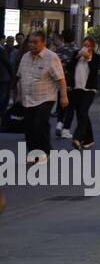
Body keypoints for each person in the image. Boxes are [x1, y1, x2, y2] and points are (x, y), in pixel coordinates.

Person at [15, 31, 68, 165]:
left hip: (45, 97)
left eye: (35, 42)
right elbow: (20, 77)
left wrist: (64, 97)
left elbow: (61, 79)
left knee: (39, 124)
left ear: (43, 43)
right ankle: (33, 154)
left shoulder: (51, 57)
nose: (31, 45)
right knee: (29, 128)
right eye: (30, 42)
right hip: (28, 98)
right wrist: (18, 94)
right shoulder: (25, 57)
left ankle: (44, 153)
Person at [69, 37, 100, 151]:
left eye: (88, 46)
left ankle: (77, 137)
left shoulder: (95, 57)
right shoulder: (76, 55)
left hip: (89, 89)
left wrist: (88, 59)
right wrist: (77, 57)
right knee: (81, 114)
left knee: (83, 111)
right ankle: (88, 139)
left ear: (92, 47)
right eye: (84, 45)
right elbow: (69, 68)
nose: (85, 48)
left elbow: (95, 70)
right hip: (77, 88)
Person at [52, 30, 78, 140]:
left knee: (61, 102)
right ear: (74, 38)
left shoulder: (58, 51)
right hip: (73, 81)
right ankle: (66, 129)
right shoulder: (77, 51)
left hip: (60, 80)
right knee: (71, 106)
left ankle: (59, 123)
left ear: (63, 39)